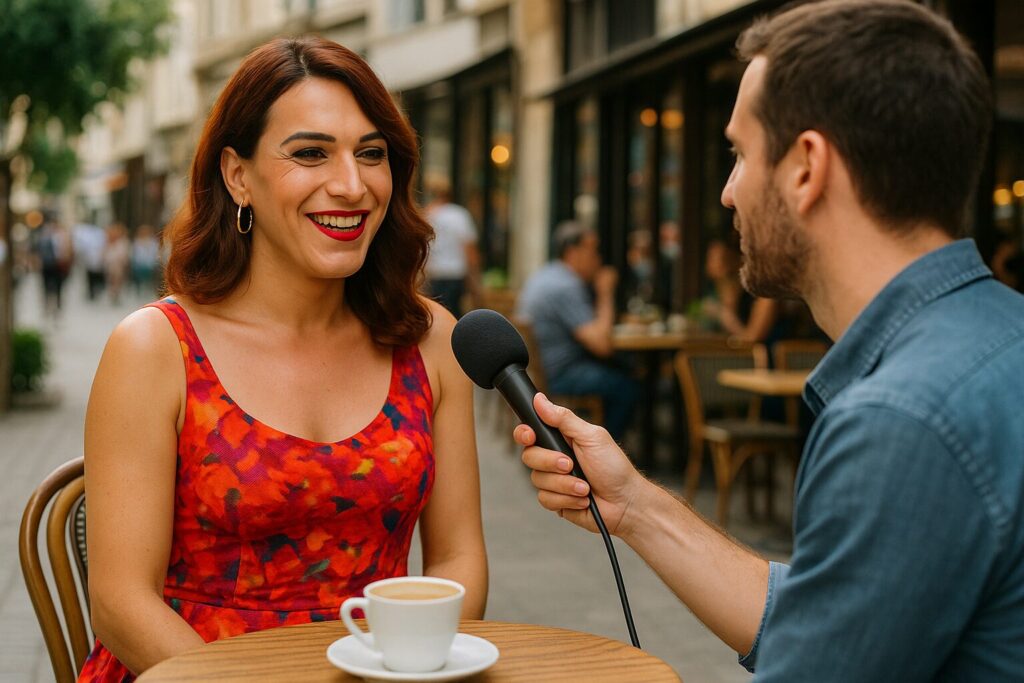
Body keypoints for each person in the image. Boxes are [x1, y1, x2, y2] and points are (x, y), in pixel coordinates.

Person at [516, 1, 1024, 680]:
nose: (728, 192)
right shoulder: (999, 334)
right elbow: (832, 615)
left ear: (806, 168)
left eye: (740, 153)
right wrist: (634, 503)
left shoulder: (901, 419)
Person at [81, 36, 488, 681]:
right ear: (237, 175)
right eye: (310, 154)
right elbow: (121, 604)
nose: (351, 185)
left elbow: (458, 560)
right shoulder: (156, 347)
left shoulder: (431, 338)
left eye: (371, 154)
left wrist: (419, 659)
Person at [516, 221, 637, 440]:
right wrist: (605, 292)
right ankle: (607, 453)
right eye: (593, 251)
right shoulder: (565, 285)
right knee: (626, 387)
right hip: (560, 373)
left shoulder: (547, 274)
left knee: (623, 369)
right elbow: (602, 345)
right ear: (573, 253)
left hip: (539, 370)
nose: (598, 259)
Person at [423, 181, 482, 318]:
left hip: (434, 276)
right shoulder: (459, 215)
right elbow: (469, 249)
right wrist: (475, 280)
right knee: (453, 316)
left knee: (435, 316)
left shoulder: (427, 214)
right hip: (454, 275)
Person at [34, 212, 73, 318]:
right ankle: (48, 305)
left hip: (58, 264)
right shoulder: (45, 235)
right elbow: (38, 250)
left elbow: (67, 250)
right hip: (48, 264)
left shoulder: (61, 235)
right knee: (47, 285)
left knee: (58, 286)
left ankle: (56, 305)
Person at [73, 221, 107, 301]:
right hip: (89, 260)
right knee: (90, 277)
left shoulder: (98, 233)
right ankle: (91, 292)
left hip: (96, 259)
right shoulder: (86, 233)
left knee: (95, 276)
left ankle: (95, 290)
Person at [103, 222, 131, 305]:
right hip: (110, 264)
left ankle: (116, 294)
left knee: (117, 280)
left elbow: (124, 254)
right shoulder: (108, 242)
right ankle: (113, 294)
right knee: (111, 280)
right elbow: (105, 253)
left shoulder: (122, 242)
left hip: (118, 264)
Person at [130, 224, 161, 298]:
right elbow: (135, 254)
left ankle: (149, 289)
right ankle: (139, 290)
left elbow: (155, 253)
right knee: (139, 277)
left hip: (150, 264)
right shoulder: (136, 242)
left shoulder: (153, 242)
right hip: (139, 264)